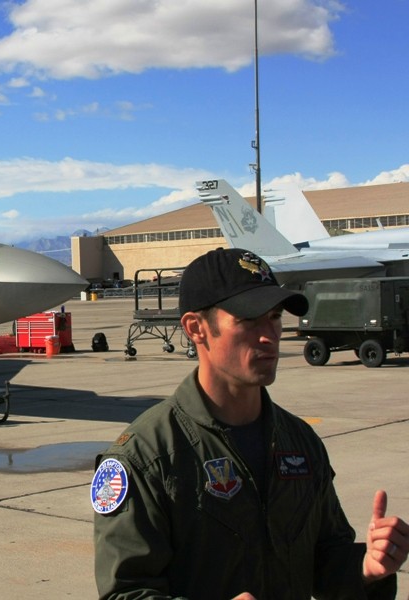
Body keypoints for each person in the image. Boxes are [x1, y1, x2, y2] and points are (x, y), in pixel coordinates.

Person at [92, 247, 409, 599]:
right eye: (248, 320)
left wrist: (365, 569)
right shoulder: (146, 456)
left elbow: (325, 557)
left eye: (274, 317)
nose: (268, 335)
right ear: (197, 328)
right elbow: (126, 591)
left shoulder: (299, 441)